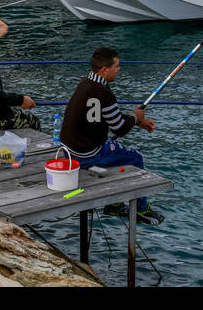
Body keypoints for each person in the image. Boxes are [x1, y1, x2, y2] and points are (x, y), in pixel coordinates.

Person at [59, 47, 164, 225]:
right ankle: (141, 209)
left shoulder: (86, 84)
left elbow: (108, 117)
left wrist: (136, 121)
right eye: (116, 66)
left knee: (115, 150)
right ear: (104, 69)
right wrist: (135, 117)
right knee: (136, 158)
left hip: (69, 151)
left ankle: (115, 202)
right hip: (87, 155)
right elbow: (120, 129)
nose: (119, 69)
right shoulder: (104, 93)